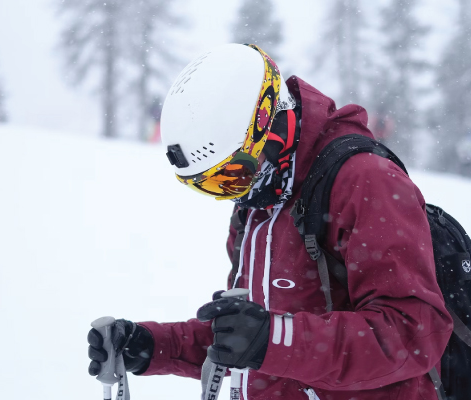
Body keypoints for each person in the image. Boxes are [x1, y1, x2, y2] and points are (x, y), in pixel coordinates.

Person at [87, 44, 452, 400]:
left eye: (232, 175)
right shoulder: (259, 204)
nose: (235, 195)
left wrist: (271, 338)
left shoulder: (366, 181)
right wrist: (154, 346)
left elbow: (414, 332)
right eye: (214, 186)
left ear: (269, 126)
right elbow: (245, 340)